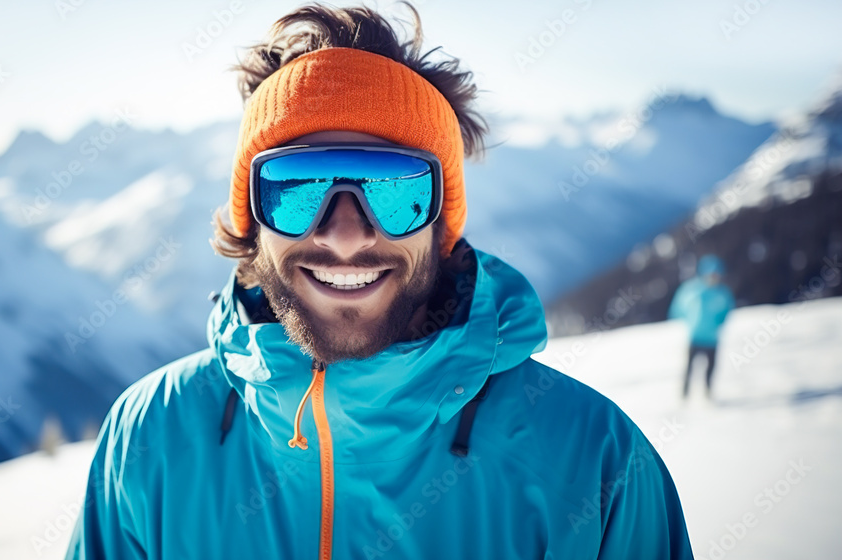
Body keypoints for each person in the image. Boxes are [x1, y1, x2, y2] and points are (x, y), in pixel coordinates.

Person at [67, 4, 693, 558]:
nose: (344, 234)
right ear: (251, 218)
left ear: (441, 224)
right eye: (296, 189)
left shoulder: (593, 464)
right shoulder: (151, 438)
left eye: (394, 192)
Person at [669, 254, 735, 399]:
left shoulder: (723, 293)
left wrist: (720, 322)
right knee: (689, 368)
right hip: (695, 336)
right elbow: (679, 306)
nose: (714, 277)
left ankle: (708, 394)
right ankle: (684, 396)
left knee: (710, 368)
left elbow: (727, 309)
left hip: (712, 338)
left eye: (717, 274)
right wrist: (686, 320)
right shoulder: (693, 290)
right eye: (711, 274)